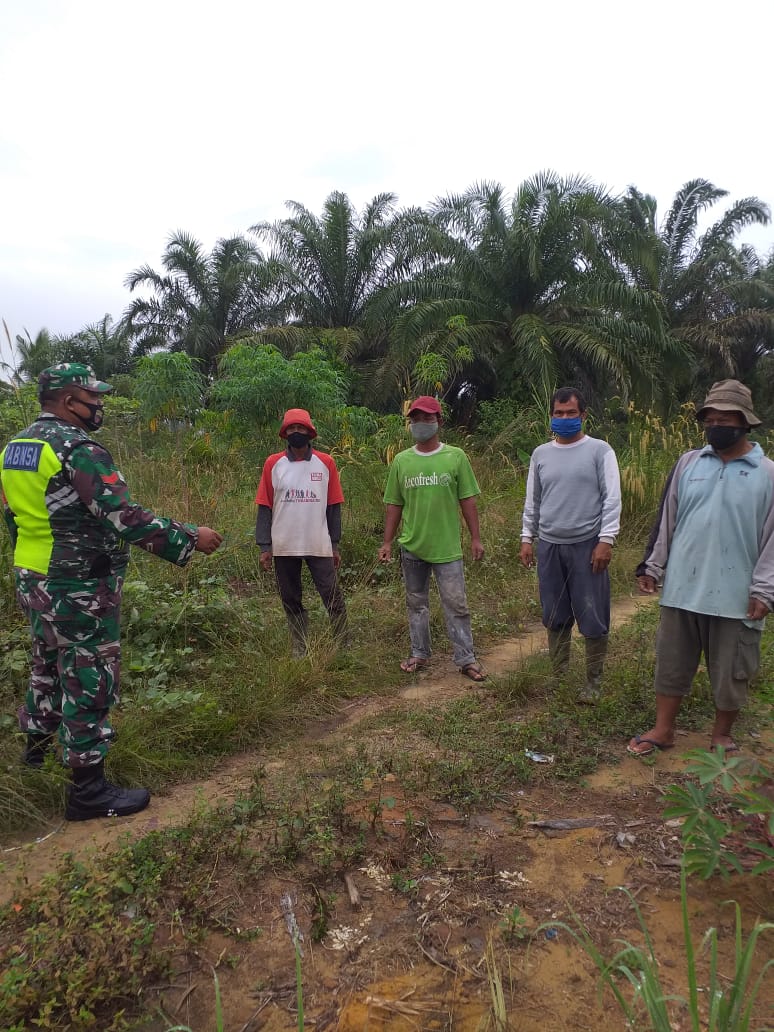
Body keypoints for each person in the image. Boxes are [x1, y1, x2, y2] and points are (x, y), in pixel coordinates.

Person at [0, 363, 223, 820]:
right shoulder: (77, 448)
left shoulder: (16, 448)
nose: (98, 405)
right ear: (67, 402)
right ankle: (88, 790)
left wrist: (34, 565)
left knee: (47, 663)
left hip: (33, 573)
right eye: (91, 397)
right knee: (89, 673)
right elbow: (124, 517)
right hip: (76, 581)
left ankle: (36, 759)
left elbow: (13, 518)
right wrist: (189, 537)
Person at [628, 379, 774, 757]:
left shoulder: (768, 474)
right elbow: (667, 519)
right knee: (672, 664)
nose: (716, 426)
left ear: (744, 422)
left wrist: (764, 589)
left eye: (725, 418)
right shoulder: (689, 463)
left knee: (732, 670)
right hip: (682, 588)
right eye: (710, 419)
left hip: (736, 595)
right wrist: (653, 566)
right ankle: (663, 730)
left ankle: (722, 735)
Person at [519, 387, 621, 702]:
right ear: (550, 416)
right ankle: (559, 679)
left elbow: (612, 498)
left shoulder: (600, 451)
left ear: (583, 415)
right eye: (559, 414)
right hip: (549, 545)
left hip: (587, 545)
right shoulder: (541, 454)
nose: (564, 419)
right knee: (554, 614)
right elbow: (532, 500)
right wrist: (527, 537)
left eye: (571, 413)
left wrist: (606, 540)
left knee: (592, 615)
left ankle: (593, 684)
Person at [378, 395, 485, 681]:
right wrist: (387, 542)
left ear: (439, 421)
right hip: (412, 546)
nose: (421, 424)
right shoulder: (402, 461)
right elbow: (394, 505)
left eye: (427, 418)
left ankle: (466, 659)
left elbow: (468, 501)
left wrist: (476, 538)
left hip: (447, 548)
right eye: (415, 419)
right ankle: (419, 653)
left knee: (456, 605)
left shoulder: (456, 457)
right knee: (416, 605)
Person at [255, 408, 347, 657]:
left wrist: (334, 544)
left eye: (301, 428)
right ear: (285, 434)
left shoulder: (326, 463)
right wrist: (265, 546)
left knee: (331, 594)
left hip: (318, 542)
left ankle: (341, 644)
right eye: (292, 429)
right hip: (284, 544)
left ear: (309, 432)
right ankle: (300, 646)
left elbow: (333, 506)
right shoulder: (273, 464)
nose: (296, 432)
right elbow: (265, 505)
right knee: (290, 597)